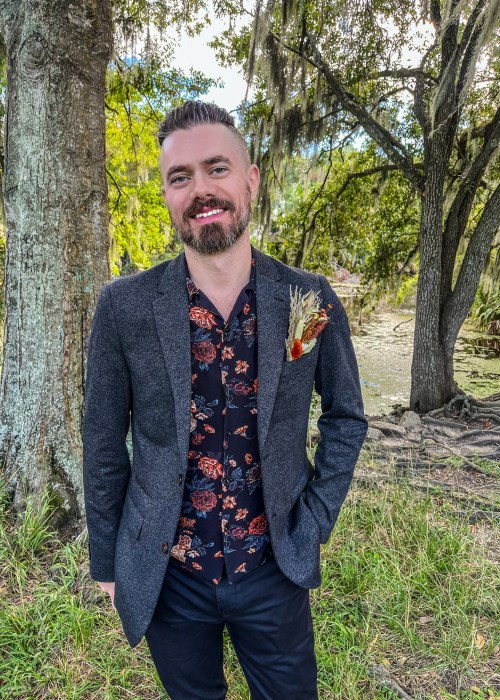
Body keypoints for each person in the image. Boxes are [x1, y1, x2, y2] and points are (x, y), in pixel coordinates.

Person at [83, 100, 368, 699]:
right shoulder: (124, 308)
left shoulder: (309, 300)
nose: (201, 191)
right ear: (166, 194)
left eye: (217, 168)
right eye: (179, 177)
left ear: (251, 179)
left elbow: (346, 417)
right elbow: (104, 443)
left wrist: (313, 522)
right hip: (169, 574)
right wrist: (108, 563)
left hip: (273, 565)